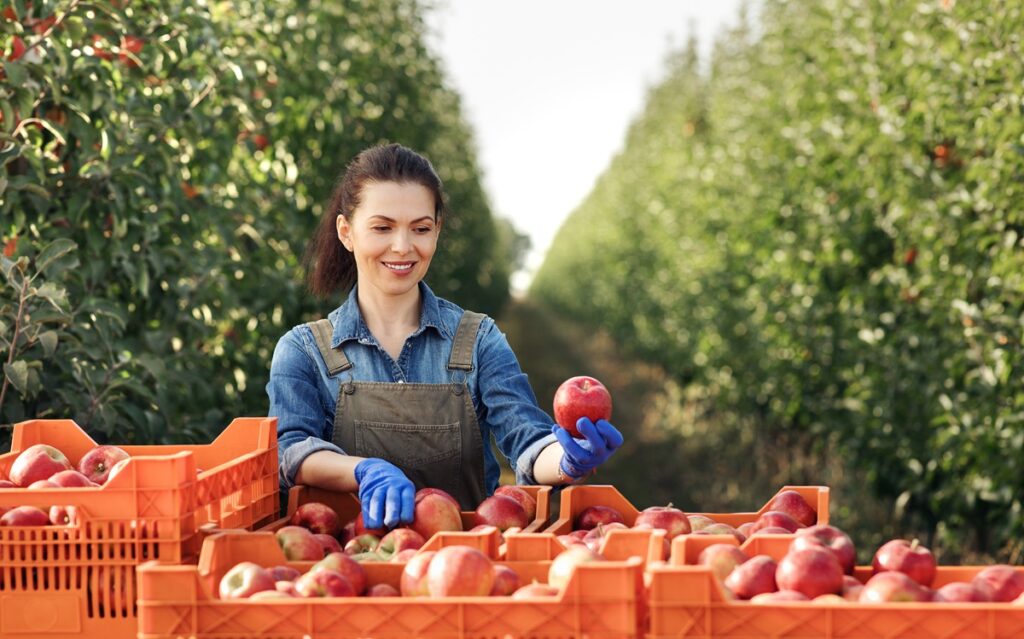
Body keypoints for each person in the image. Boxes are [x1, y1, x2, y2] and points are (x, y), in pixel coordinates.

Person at [267, 143, 623, 530]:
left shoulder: (478, 340)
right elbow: (289, 450)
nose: (403, 246)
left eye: (420, 229)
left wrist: (567, 459)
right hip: (349, 556)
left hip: (467, 554)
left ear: (436, 232)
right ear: (346, 232)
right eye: (382, 228)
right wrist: (361, 470)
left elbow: (527, 440)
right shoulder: (305, 351)